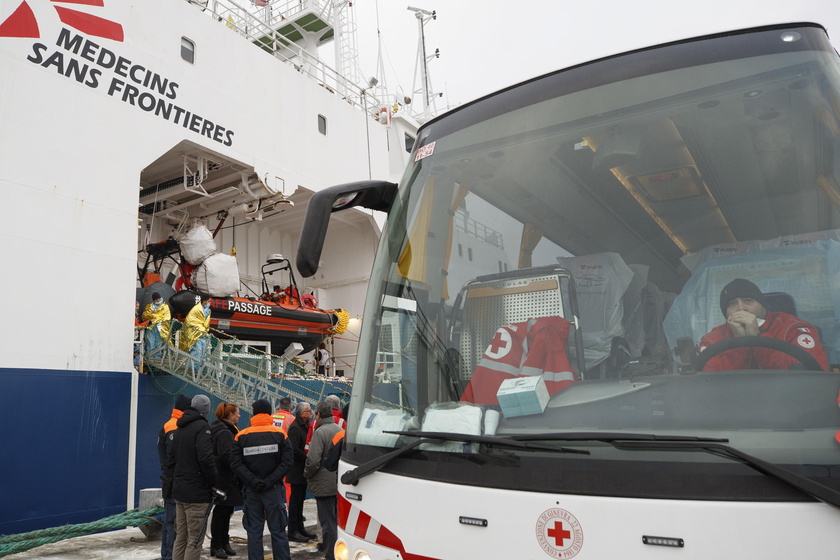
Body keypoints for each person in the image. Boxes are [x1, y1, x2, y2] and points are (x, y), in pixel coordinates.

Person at [699, 278, 828, 371]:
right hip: (735, 404)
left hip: (788, 402)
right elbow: (709, 383)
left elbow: (814, 373)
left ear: (763, 305)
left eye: (748, 301)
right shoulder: (713, 339)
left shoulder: (793, 328)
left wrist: (758, 337)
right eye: (732, 303)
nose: (741, 308)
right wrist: (739, 343)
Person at [229, 399, 294, 560]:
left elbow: (236, 463)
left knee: (254, 533)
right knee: (278, 531)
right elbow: (287, 462)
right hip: (273, 491)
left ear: (254, 413)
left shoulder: (241, 435)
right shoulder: (280, 434)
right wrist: (270, 481)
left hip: (252, 492)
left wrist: (252, 481)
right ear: (269, 412)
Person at [166, 394, 217, 560]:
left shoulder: (180, 427)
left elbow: (171, 458)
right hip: (197, 494)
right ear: (206, 409)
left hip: (180, 492)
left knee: (181, 537)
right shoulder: (202, 427)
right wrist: (214, 483)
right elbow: (206, 459)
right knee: (194, 540)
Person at [304, 401, 342, 560]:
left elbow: (313, 461)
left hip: (323, 485)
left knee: (327, 524)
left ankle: (331, 555)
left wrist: (306, 474)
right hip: (338, 484)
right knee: (337, 521)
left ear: (319, 415)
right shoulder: (340, 430)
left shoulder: (320, 432)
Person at [156, 394, 192, 560]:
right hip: (175, 481)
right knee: (173, 523)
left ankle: (166, 555)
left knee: (168, 523)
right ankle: (170, 556)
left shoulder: (167, 425)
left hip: (168, 480)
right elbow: (174, 456)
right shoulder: (176, 427)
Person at [210, 402, 244, 559]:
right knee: (221, 511)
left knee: (227, 510)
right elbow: (227, 456)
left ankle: (223, 542)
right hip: (224, 478)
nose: (239, 415)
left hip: (225, 477)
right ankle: (217, 545)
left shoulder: (223, 430)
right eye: (237, 413)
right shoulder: (224, 433)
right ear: (230, 415)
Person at [286, 401, 315, 542]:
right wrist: (307, 456)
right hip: (297, 470)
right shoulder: (295, 428)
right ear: (302, 413)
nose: (311, 413)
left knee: (300, 500)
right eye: (308, 411)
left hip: (302, 470)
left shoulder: (304, 426)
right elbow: (293, 449)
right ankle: (292, 530)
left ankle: (299, 527)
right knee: (295, 501)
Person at [180, 294, 211, 372]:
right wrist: (202, 328)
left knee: (202, 353)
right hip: (195, 334)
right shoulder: (196, 309)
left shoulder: (207, 310)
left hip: (202, 334)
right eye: (208, 301)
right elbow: (191, 321)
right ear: (204, 301)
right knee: (196, 352)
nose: (209, 303)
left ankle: (199, 370)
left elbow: (205, 322)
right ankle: (193, 369)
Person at [143, 292, 171, 358]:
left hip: (160, 327)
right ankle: (149, 357)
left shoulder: (165, 306)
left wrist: (154, 317)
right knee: (150, 342)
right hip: (151, 327)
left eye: (159, 298)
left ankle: (157, 358)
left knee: (158, 343)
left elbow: (167, 317)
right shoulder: (149, 306)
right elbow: (144, 316)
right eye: (156, 299)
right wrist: (155, 317)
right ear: (153, 300)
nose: (158, 300)